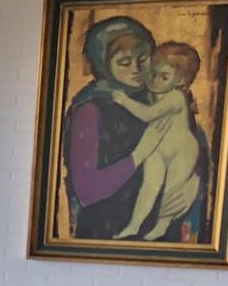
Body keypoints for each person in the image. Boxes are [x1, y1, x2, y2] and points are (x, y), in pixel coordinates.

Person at [62, 16, 180, 241]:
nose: (136, 69)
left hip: (160, 229)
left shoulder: (161, 98)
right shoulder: (89, 110)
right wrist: (138, 155)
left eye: (143, 58)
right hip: (106, 232)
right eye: (124, 62)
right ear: (103, 64)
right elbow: (87, 191)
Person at [106, 42, 206, 241]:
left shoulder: (176, 97)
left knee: (171, 191)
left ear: (180, 81)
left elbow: (148, 115)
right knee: (149, 186)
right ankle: (134, 225)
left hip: (182, 151)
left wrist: (125, 101)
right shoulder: (154, 94)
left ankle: (162, 225)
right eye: (154, 73)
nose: (156, 80)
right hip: (158, 148)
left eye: (164, 77)